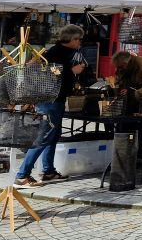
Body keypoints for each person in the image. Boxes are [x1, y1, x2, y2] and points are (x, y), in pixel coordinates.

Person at [14, 24, 92, 187]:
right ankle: (22, 175)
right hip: (50, 101)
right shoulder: (54, 53)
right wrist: (73, 71)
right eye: (79, 39)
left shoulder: (68, 52)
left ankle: (48, 171)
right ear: (72, 39)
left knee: (53, 136)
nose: (80, 43)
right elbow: (51, 76)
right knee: (44, 137)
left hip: (57, 100)